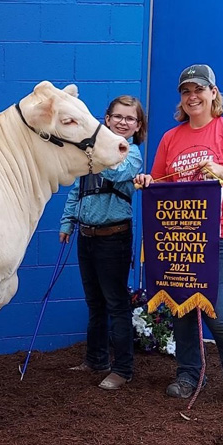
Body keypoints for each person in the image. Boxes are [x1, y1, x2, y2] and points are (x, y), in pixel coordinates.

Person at [134, 64, 223, 406]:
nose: (193, 96)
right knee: (182, 310)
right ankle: (190, 375)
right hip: (183, 241)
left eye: (199, 90)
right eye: (186, 91)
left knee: (222, 314)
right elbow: (161, 182)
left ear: (213, 93)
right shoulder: (171, 138)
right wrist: (147, 182)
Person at [60, 95, 146, 390]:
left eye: (130, 119)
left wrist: (97, 155)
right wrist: (67, 222)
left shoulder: (133, 154)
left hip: (114, 239)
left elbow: (120, 170)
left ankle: (123, 368)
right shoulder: (91, 156)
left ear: (137, 126)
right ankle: (96, 359)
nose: (123, 122)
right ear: (106, 120)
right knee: (95, 303)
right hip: (86, 236)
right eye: (117, 117)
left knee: (117, 304)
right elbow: (77, 191)